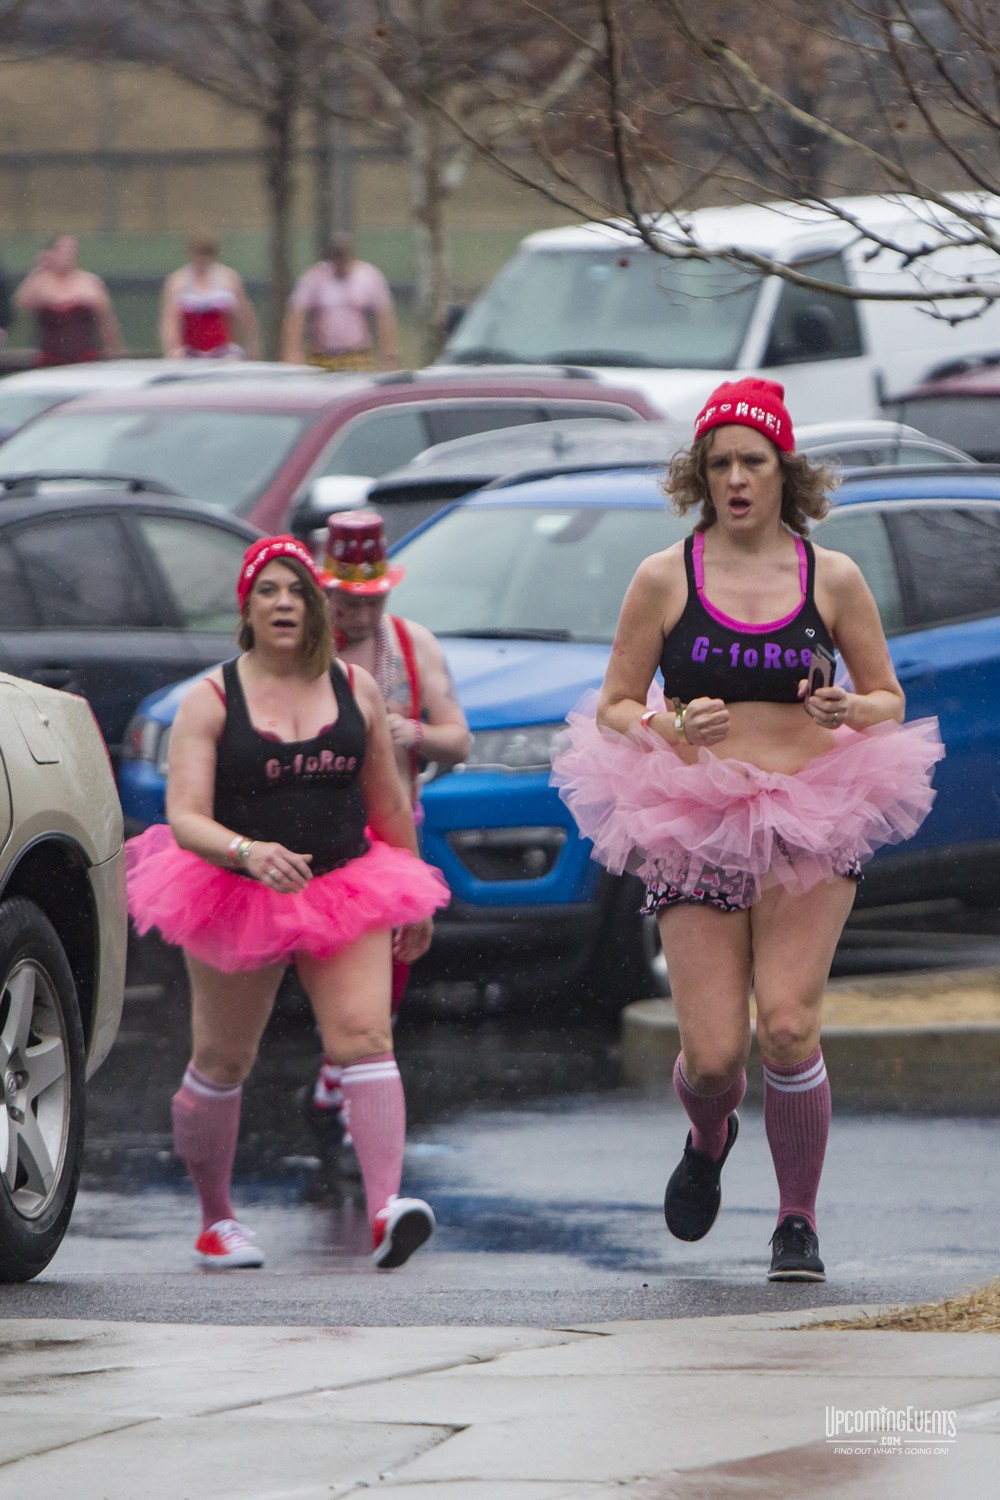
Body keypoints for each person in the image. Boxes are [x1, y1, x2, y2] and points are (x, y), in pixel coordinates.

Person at [551, 378, 944, 1282]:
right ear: (701, 474)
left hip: (814, 806)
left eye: (752, 462)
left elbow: (889, 697)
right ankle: (708, 1131)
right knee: (718, 1055)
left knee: (791, 1029)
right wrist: (668, 727)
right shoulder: (665, 575)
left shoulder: (830, 575)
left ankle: (796, 1223)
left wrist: (851, 708)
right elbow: (614, 705)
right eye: (719, 462)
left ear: (784, 473)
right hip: (696, 816)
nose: (735, 479)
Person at [125, 534, 449, 1271]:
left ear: (318, 608)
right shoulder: (210, 700)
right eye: (267, 590)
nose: (282, 603)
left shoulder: (355, 689)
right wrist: (248, 852)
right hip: (233, 890)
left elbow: (389, 805)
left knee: (365, 1035)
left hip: (346, 883)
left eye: (296, 591)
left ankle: (386, 1209)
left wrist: (416, 892)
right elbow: (184, 818)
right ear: (247, 607)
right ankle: (217, 1221)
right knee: (223, 1057)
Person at [306, 510, 472, 1139]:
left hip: (394, 830)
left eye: (374, 599)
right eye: (349, 600)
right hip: (320, 837)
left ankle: (343, 1084)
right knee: (328, 967)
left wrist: (416, 733)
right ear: (327, 591)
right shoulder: (302, 648)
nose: (362, 614)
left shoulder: (409, 646)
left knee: (392, 971)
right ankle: (338, 1072)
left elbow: (461, 740)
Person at [281, 232, 399, 371]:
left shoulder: (369, 277)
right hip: (323, 356)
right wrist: (291, 352)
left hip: (357, 356)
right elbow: (297, 315)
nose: (341, 266)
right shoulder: (315, 278)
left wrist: (389, 354)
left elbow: (384, 316)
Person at [13, 235, 123, 365]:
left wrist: (115, 351)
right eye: (62, 250)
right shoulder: (41, 281)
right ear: (52, 253)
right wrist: (38, 268)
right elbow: (21, 304)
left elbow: (107, 322)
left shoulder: (90, 282)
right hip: (50, 358)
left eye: (72, 250)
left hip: (85, 357)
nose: (67, 255)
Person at [159, 233, 261, 359]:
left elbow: (245, 317)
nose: (202, 259)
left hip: (223, 352)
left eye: (207, 254)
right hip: (190, 352)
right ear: (191, 254)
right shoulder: (178, 282)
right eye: (199, 254)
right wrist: (171, 350)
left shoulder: (229, 279)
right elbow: (170, 321)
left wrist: (252, 347)